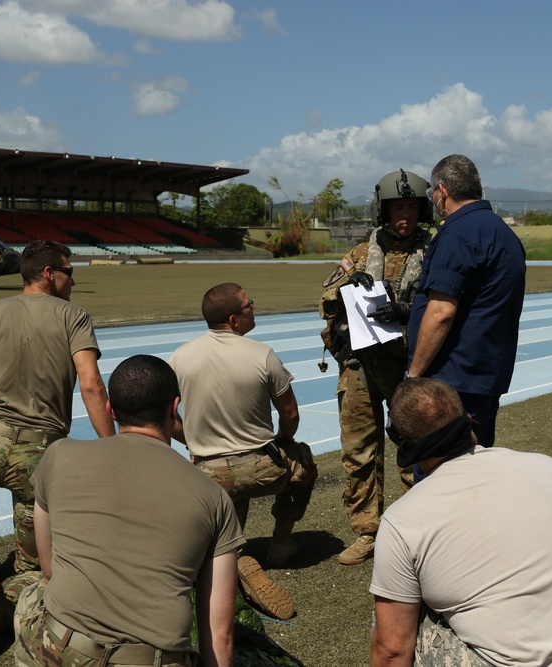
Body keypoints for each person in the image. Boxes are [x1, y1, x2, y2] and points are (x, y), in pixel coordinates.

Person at [0, 239, 115, 665]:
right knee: (34, 561)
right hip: (36, 458)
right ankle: (9, 598)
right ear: (48, 274)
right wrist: (114, 447)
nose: (73, 280)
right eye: (70, 272)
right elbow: (92, 385)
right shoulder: (73, 316)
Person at [14, 355, 244, 667]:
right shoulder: (214, 497)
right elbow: (219, 637)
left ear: (111, 410)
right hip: (151, 660)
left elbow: (50, 569)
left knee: (32, 594)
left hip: (62, 648)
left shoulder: (59, 455)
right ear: (174, 407)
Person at [369, 377, 552, 667]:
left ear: (401, 442)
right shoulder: (550, 467)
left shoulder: (402, 521)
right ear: (468, 419)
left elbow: (391, 651)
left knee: (394, 607)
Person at [169, 282, 317, 619]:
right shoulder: (261, 353)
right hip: (263, 471)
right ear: (234, 320)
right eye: (249, 305)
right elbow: (290, 413)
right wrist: (282, 441)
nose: (255, 308)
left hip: (208, 474)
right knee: (304, 461)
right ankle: (280, 543)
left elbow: (167, 417)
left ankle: (229, 557)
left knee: (227, 493)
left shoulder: (180, 357)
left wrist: (193, 443)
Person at [318, 169, 432, 566]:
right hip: (360, 365)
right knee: (359, 452)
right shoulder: (362, 253)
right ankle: (368, 532)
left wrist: (407, 310)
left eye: (412, 206)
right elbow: (326, 295)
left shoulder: (433, 251)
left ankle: (421, 530)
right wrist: (349, 286)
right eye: (398, 206)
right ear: (384, 210)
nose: (406, 214)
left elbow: (445, 304)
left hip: (408, 365)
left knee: (413, 446)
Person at [407, 154, 526, 468]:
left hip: (452, 382)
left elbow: (441, 311)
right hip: (485, 376)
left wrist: (414, 375)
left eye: (433, 193)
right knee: (475, 472)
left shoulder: (459, 233)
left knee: (441, 477)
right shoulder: (504, 233)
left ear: (442, 192)